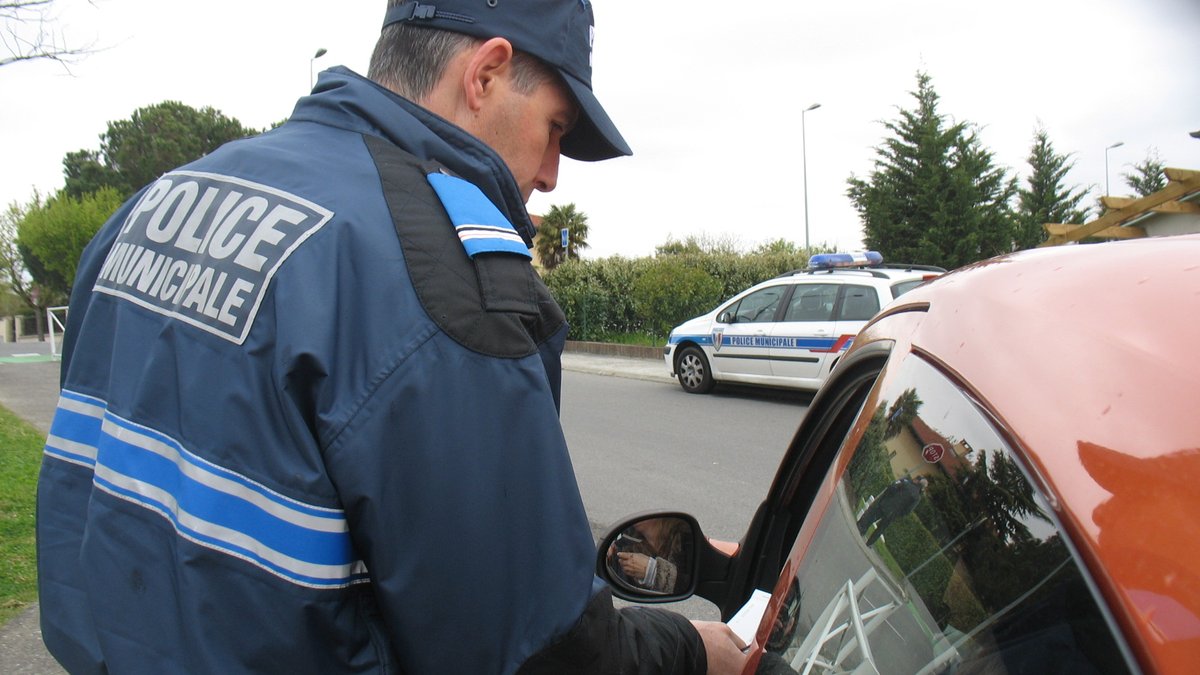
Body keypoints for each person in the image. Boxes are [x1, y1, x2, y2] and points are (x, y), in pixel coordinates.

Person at [35, 2, 748, 673]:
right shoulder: (441, 280)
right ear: (486, 74)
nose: (552, 173)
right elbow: (533, 650)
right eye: (556, 128)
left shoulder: (152, 207)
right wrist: (693, 649)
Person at [612, 517, 693, 594]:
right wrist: (610, 558)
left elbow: (693, 586)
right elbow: (619, 583)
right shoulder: (627, 542)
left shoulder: (686, 538)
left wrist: (653, 572)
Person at [857, 475, 929, 546]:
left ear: (917, 481)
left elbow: (892, 487)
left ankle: (862, 529)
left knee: (873, 517)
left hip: (887, 504)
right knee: (881, 528)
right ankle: (870, 543)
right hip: (893, 513)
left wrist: (886, 497)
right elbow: (908, 510)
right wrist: (898, 514)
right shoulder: (917, 498)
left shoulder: (906, 483)